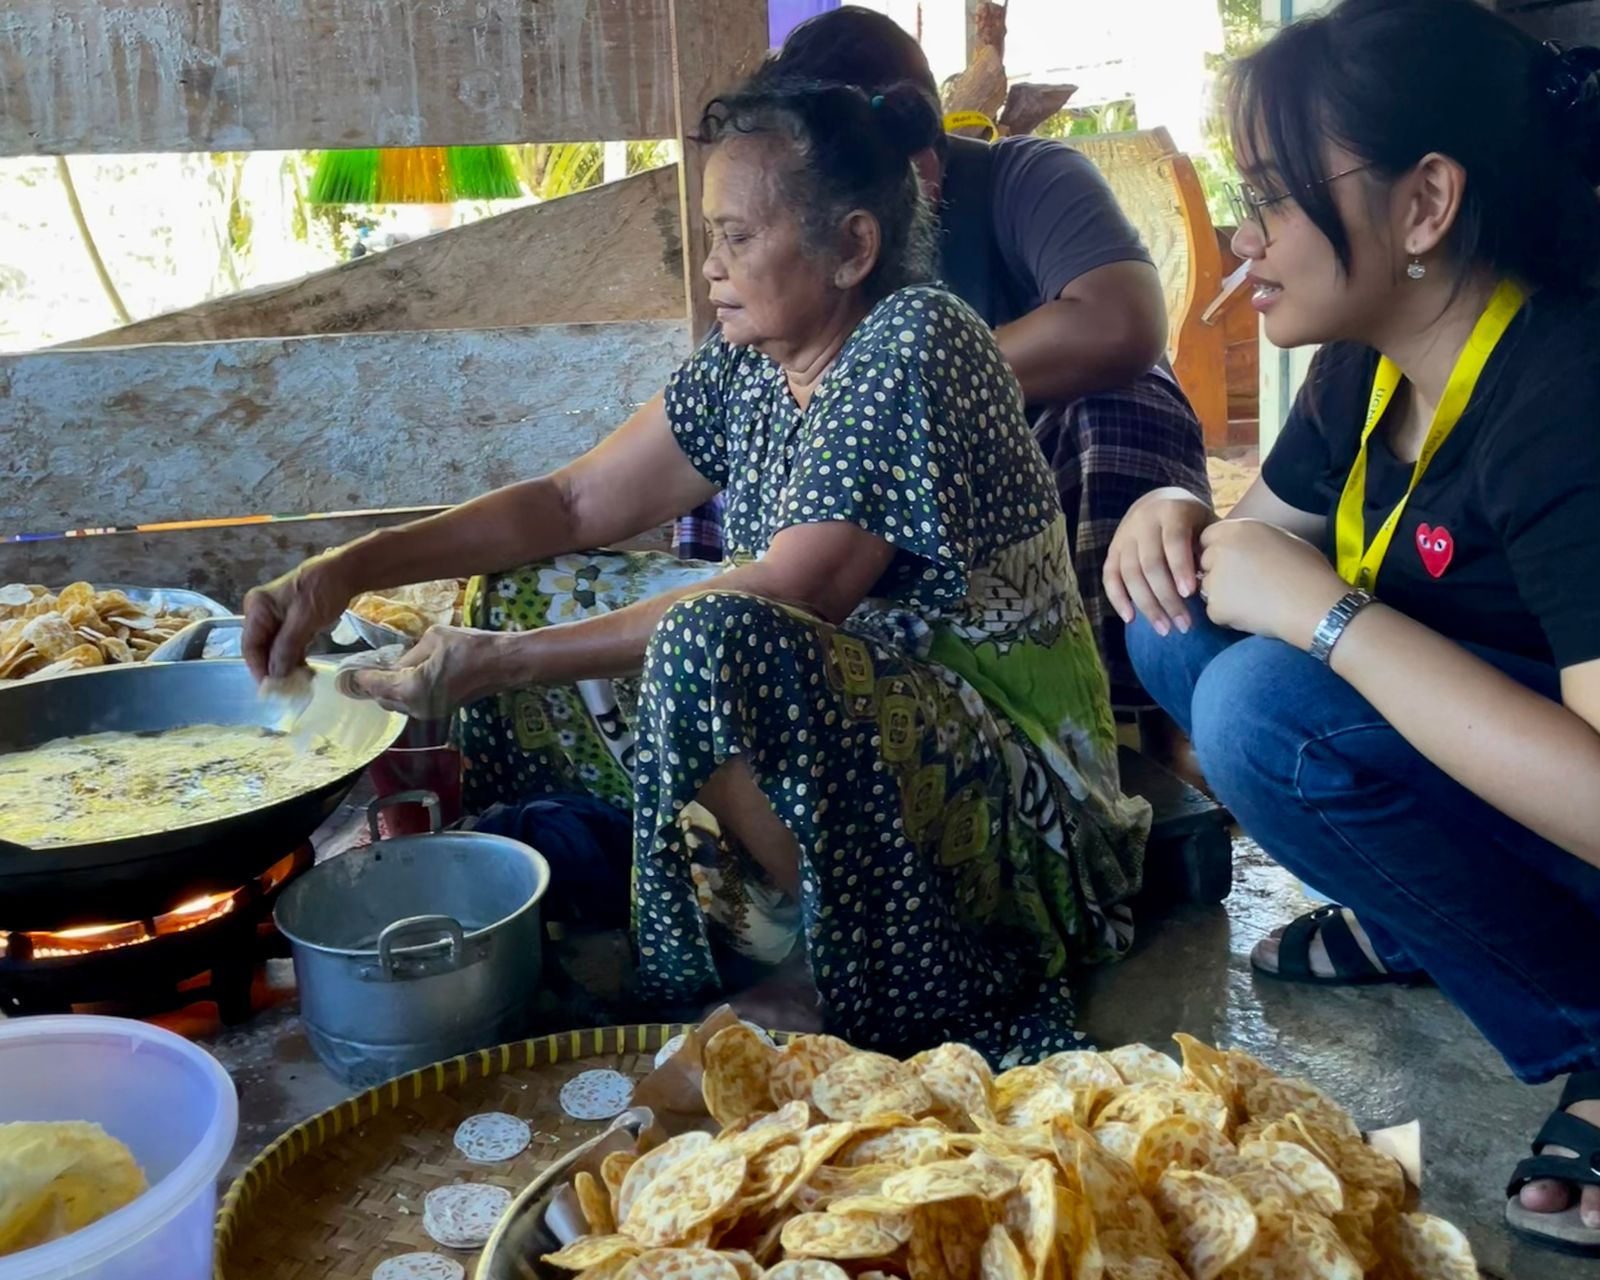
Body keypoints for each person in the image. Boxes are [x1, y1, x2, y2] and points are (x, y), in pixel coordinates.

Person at [245, 78, 1150, 1063]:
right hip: (861, 748)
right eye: (709, 237)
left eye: (736, 237)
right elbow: (571, 502)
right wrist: (346, 566)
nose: (710, 267)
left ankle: (822, 961)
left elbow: (796, 591)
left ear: (852, 247)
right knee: (519, 586)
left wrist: (502, 661)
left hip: (1019, 815)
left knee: (710, 638)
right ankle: (681, 887)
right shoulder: (753, 360)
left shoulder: (917, 343)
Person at [1103, 0, 1600, 1254]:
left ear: (1424, 205)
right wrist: (1171, 505)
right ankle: (1434, 910)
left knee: (1261, 710)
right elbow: (1249, 541)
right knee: (1173, 627)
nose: (1240, 238)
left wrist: (1324, 615)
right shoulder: (1371, 359)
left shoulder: (1563, 393)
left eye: (1270, 198)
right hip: (1491, 769)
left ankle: (1588, 1025)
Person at [672, 5, 1211, 709]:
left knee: (1125, 405)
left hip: (1025, 508)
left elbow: (1121, 324)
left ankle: (1136, 704)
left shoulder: (1024, 179)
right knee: (738, 426)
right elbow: (581, 500)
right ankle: (737, 689)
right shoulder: (777, 288)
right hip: (862, 516)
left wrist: (906, 386)